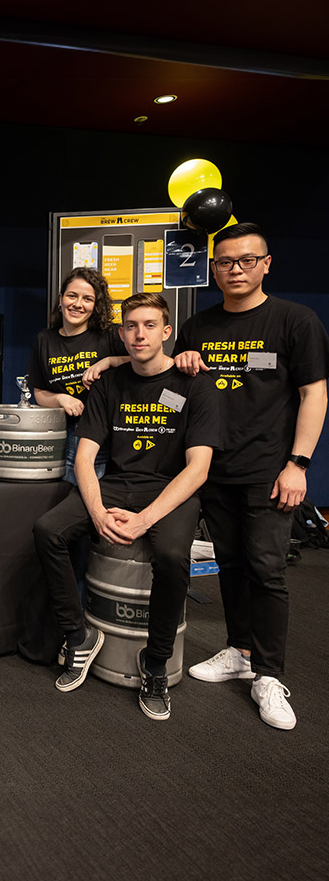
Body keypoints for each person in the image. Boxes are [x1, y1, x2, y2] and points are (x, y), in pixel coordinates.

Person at [33, 293, 220, 720]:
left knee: (173, 556)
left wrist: (144, 521)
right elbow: (84, 457)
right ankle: (78, 638)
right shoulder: (110, 384)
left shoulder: (195, 385)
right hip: (115, 485)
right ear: (121, 334)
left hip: (170, 490)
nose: (140, 334)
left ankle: (155, 663)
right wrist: (97, 512)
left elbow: (199, 468)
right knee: (48, 530)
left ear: (166, 332)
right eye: (132, 326)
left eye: (150, 325)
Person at [174, 222, 329, 731]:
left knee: (268, 571)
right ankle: (238, 650)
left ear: (265, 263)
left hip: (270, 471)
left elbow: (314, 394)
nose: (235, 269)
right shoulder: (199, 326)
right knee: (232, 565)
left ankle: (268, 674)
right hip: (214, 469)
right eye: (225, 262)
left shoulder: (295, 320)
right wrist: (182, 362)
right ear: (213, 268)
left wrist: (298, 464)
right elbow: (179, 391)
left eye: (246, 260)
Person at [27, 267, 127, 484]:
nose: (78, 304)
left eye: (87, 299)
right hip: (59, 433)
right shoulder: (45, 339)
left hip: (104, 435)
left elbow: (149, 361)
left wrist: (108, 361)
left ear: (95, 305)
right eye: (72, 296)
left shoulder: (110, 335)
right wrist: (61, 399)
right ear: (61, 299)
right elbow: (39, 393)